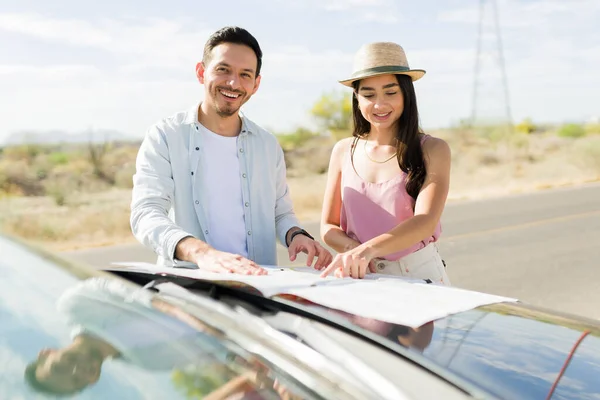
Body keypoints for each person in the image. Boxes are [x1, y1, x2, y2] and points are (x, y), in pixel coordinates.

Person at [130, 26, 332, 275]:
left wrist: (296, 235)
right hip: (190, 286)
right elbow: (145, 214)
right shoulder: (165, 136)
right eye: (223, 70)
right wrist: (202, 254)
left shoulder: (267, 145)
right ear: (201, 72)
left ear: (256, 84)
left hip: (259, 286)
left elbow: (281, 213)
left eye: (245, 74)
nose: (233, 83)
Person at [319, 42, 452, 285]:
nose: (379, 104)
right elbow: (328, 226)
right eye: (369, 94)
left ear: (406, 94)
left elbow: (425, 222)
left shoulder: (433, 149)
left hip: (418, 276)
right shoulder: (342, 151)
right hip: (359, 276)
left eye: (390, 92)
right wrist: (354, 250)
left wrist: (367, 250)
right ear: (357, 98)